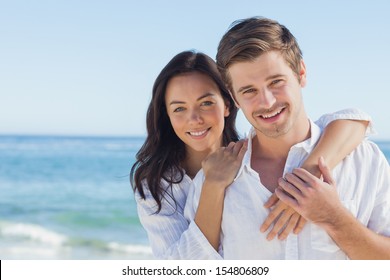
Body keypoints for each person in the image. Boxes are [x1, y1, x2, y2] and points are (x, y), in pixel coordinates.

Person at [131, 50, 370, 259]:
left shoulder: (250, 157)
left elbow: (350, 121)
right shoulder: (155, 185)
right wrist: (213, 185)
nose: (195, 119)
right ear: (167, 115)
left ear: (228, 103)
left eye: (205, 103)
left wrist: (309, 174)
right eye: (179, 108)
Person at [185, 16, 390, 259]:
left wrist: (335, 219)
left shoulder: (364, 161)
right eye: (249, 90)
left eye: (276, 82)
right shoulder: (215, 183)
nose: (267, 102)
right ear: (235, 97)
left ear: (301, 73)